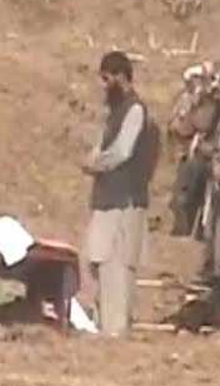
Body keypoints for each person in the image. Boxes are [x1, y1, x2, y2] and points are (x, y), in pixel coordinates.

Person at [82, 51, 155, 337]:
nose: (103, 85)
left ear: (121, 77)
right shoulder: (116, 112)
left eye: (107, 78)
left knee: (118, 265)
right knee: (99, 259)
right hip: (108, 198)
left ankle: (115, 330)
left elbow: (123, 151)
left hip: (125, 200)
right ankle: (106, 325)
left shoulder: (135, 110)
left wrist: (97, 164)